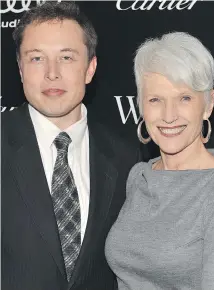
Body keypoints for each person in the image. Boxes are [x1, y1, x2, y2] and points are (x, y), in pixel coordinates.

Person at [1, 2, 141, 290]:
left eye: (66, 57)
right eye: (37, 58)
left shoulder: (126, 157)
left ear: (90, 69)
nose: (52, 73)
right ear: (20, 69)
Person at [105, 32, 214, 290]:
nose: (169, 115)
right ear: (141, 106)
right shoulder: (139, 176)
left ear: (208, 104)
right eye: (155, 100)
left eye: (184, 98)